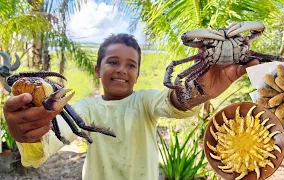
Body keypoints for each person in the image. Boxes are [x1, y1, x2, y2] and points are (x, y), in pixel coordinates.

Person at [3, 33, 259, 180]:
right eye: (113, 62)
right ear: (97, 70)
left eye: (131, 65)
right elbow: (48, 139)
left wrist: (196, 91)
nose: (122, 70)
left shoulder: (145, 101)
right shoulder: (87, 107)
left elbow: (173, 102)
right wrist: (29, 133)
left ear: (137, 74)